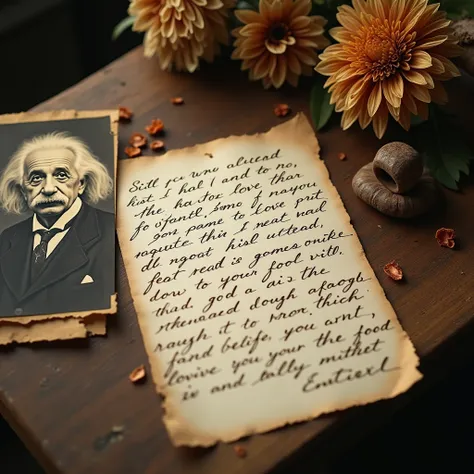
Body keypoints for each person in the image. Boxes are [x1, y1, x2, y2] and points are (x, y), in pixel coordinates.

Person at [0, 132, 115, 317]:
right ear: (23, 190)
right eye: (36, 178)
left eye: (61, 175)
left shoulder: (113, 230)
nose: (48, 189)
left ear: (81, 184)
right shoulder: (7, 238)